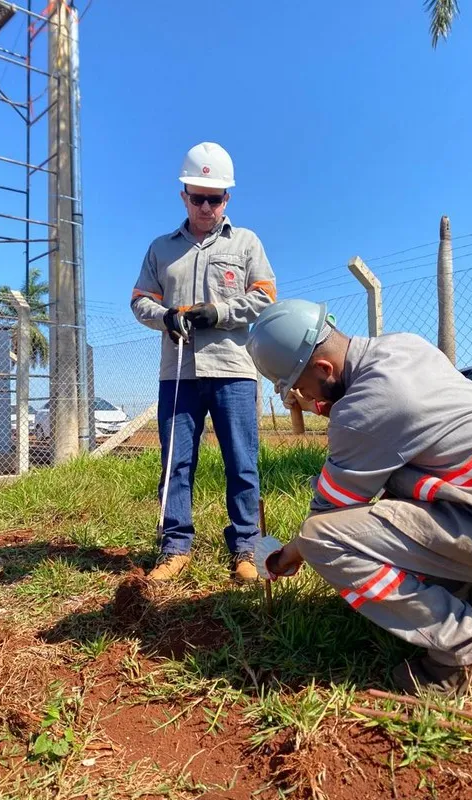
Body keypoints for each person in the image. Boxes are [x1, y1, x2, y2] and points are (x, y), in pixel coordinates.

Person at [247, 298, 472, 695]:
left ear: (324, 369)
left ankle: (469, 647)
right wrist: (330, 407)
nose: (301, 397)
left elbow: (329, 514)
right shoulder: (403, 347)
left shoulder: (365, 412)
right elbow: (392, 422)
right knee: (400, 502)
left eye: (299, 386)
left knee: (321, 538)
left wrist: (283, 558)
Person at [131, 142, 276, 583]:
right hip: (178, 373)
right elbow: (140, 301)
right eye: (199, 198)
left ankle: (246, 547)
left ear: (227, 199)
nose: (207, 206)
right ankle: (175, 547)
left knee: (241, 461)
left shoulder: (247, 243)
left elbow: (266, 296)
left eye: (216, 198)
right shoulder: (161, 249)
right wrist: (167, 317)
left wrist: (220, 312)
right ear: (184, 196)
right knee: (175, 461)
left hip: (232, 370)